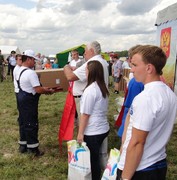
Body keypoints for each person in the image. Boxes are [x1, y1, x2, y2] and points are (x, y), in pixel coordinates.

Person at [116, 45, 177, 180]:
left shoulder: (146, 98)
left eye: (134, 65)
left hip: (139, 168)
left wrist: (125, 177)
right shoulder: (169, 93)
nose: (132, 69)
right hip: (158, 162)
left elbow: (138, 142)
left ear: (149, 68)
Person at [64, 41, 109, 170]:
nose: (84, 54)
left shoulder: (92, 64)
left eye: (85, 51)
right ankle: (103, 165)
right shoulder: (102, 62)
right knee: (101, 147)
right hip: (100, 112)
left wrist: (66, 66)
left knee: (92, 151)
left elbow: (70, 76)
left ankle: (94, 167)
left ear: (92, 51)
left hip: (92, 116)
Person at [16, 50, 54, 156]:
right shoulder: (30, 73)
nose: (35, 62)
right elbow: (38, 90)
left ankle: (23, 145)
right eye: (33, 60)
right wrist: (48, 90)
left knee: (23, 122)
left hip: (21, 98)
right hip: (29, 101)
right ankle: (33, 149)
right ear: (28, 59)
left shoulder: (18, 70)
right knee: (31, 124)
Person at [77, 60, 110, 180]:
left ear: (91, 72)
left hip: (93, 131)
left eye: (86, 70)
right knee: (96, 157)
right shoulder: (103, 87)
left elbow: (85, 115)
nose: (85, 73)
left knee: (92, 161)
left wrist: (80, 133)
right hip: (103, 128)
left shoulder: (90, 90)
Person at [13, 54, 23, 122]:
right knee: (21, 106)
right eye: (19, 59)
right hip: (19, 90)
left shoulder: (21, 67)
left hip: (20, 90)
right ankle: (20, 119)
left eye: (21, 59)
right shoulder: (17, 69)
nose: (20, 61)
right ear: (16, 60)